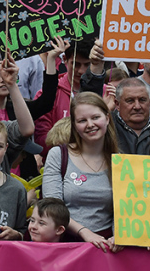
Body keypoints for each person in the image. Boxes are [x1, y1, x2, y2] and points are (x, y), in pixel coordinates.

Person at [41, 93, 119, 251]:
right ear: (75, 125)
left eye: (95, 117)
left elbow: (123, 209)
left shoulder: (119, 161)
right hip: (65, 243)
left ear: (107, 118)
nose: (90, 124)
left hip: (105, 246)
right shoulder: (58, 155)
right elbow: (52, 207)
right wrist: (85, 233)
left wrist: (118, 235)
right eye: (82, 120)